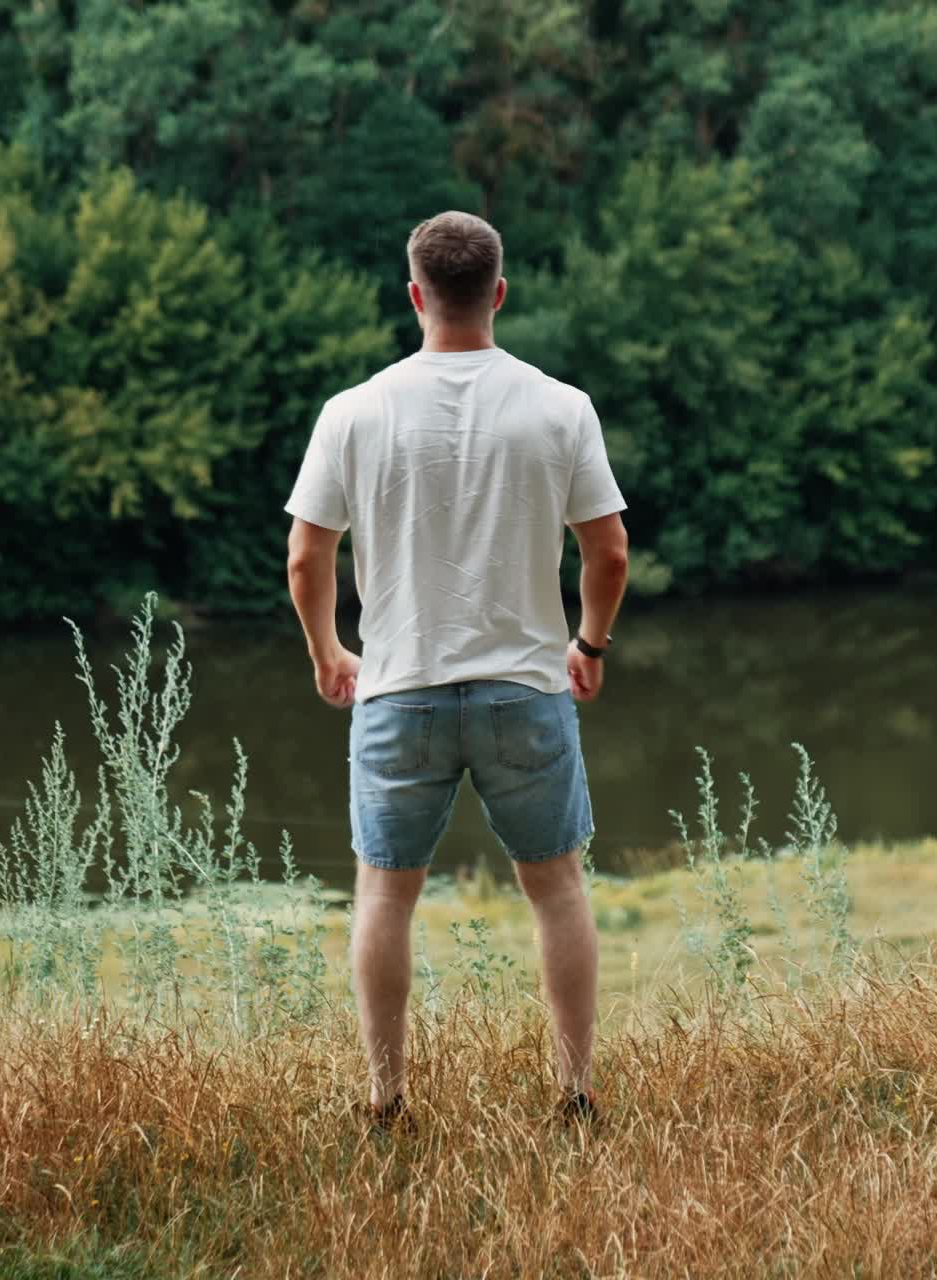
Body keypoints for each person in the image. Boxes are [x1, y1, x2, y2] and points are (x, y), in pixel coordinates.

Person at [284, 211, 629, 1130]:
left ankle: (387, 1102)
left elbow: (305, 558)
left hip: (399, 689)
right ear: (499, 293)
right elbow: (610, 554)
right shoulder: (561, 407)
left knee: (384, 896)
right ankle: (575, 1094)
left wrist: (328, 653)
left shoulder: (353, 413)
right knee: (556, 889)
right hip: (526, 688)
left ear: (414, 295)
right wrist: (589, 645)